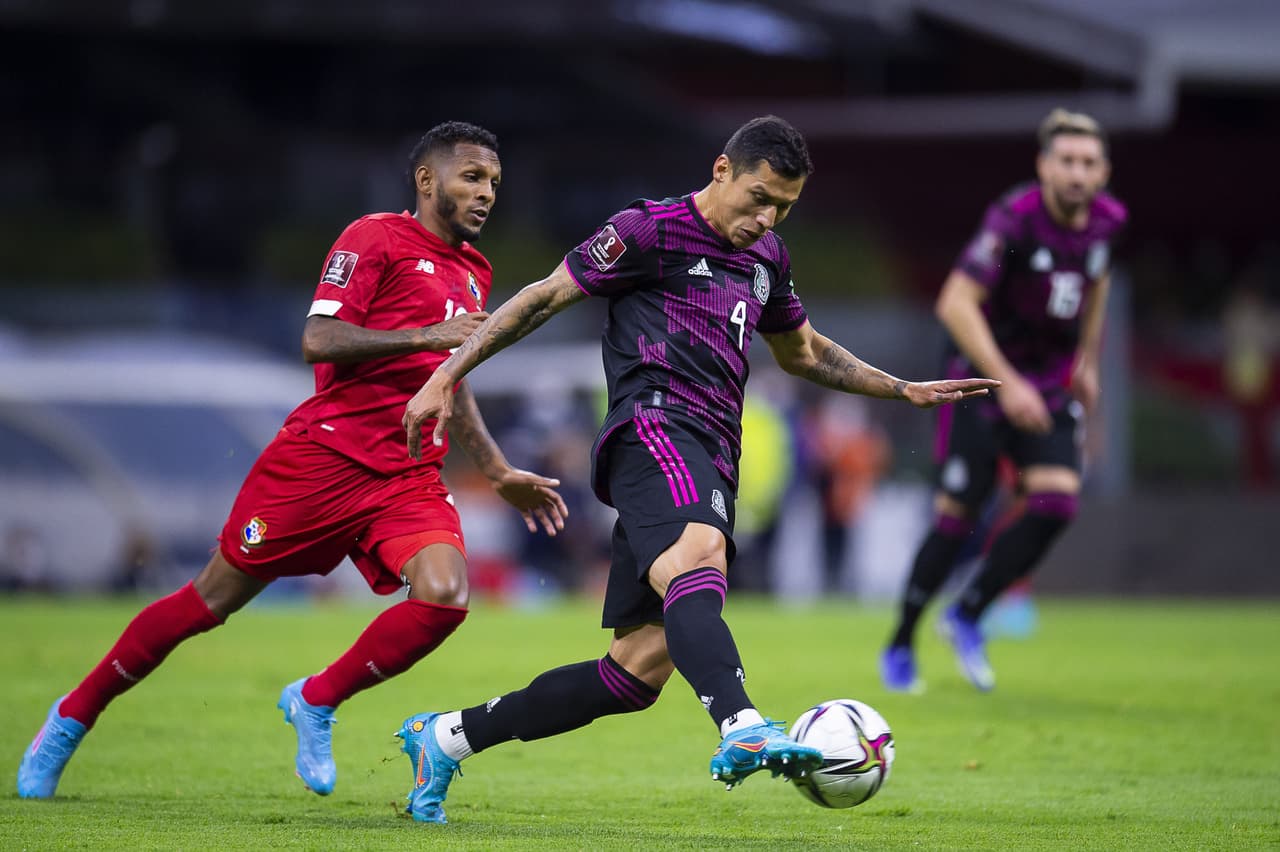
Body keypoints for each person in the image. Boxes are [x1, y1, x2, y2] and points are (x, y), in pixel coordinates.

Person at [396, 115, 998, 823]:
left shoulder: (768, 254)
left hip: (712, 450)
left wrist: (899, 387)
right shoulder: (648, 231)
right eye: (757, 197)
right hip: (650, 428)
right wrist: (445, 375)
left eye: (782, 206)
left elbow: (803, 353)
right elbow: (540, 299)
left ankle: (446, 737)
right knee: (699, 553)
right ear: (722, 171)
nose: (764, 217)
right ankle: (742, 724)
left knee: (636, 672)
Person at [16, 121, 568, 800]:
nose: (486, 194)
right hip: (323, 460)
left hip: (407, 474)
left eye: (494, 183)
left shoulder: (474, 270)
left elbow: (451, 376)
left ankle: (316, 698)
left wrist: (496, 469)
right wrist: (426, 334)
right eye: (472, 178)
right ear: (428, 180)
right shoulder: (372, 238)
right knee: (210, 601)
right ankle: (72, 716)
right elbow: (318, 339)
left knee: (446, 595)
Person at [880, 108, 1127, 694]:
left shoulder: (1109, 222)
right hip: (980, 383)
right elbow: (955, 303)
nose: (1076, 172)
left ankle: (967, 614)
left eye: (1088, 163)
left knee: (1057, 503)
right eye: (1066, 160)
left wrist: (1087, 361)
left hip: (1048, 381)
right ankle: (901, 642)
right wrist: (1007, 381)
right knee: (956, 517)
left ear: (1104, 173)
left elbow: (1098, 282)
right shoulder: (1013, 222)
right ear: (1043, 166)